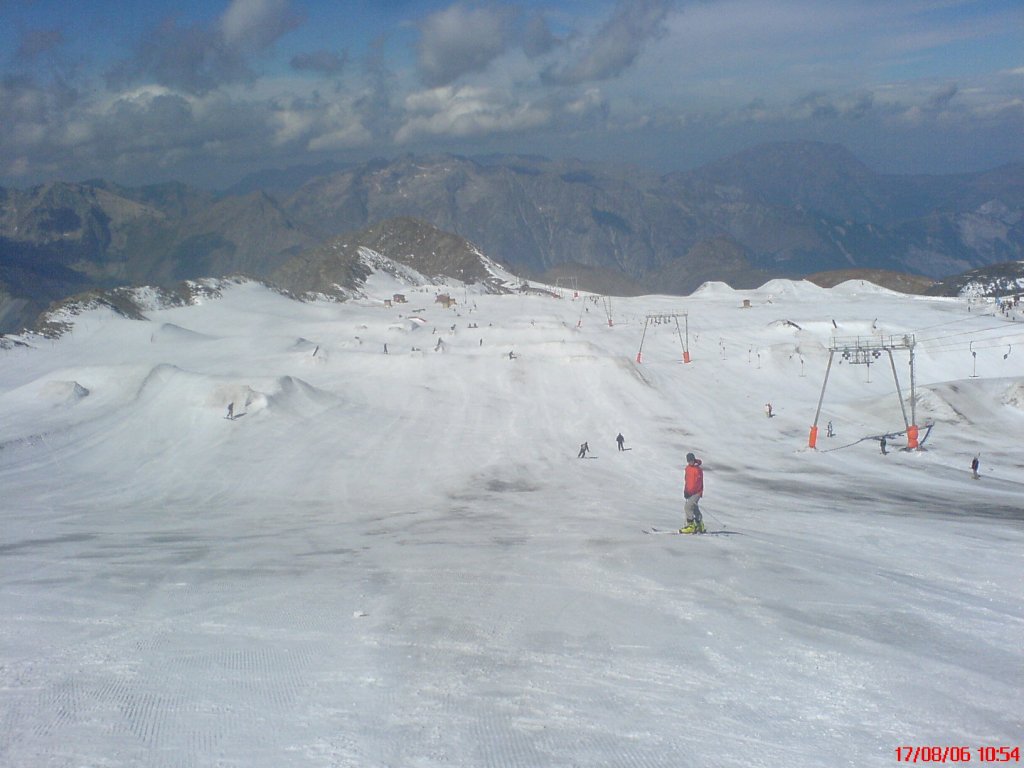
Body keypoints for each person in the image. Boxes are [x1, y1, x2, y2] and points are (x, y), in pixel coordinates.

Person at [680, 452, 705, 534]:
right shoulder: (687, 468)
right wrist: (685, 490)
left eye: (691, 460)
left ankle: (691, 526)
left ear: (694, 459)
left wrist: (691, 492)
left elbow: (698, 483)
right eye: (689, 460)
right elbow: (687, 481)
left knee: (687, 507)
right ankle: (699, 525)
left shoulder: (698, 469)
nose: (690, 462)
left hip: (697, 492)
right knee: (694, 508)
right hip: (689, 492)